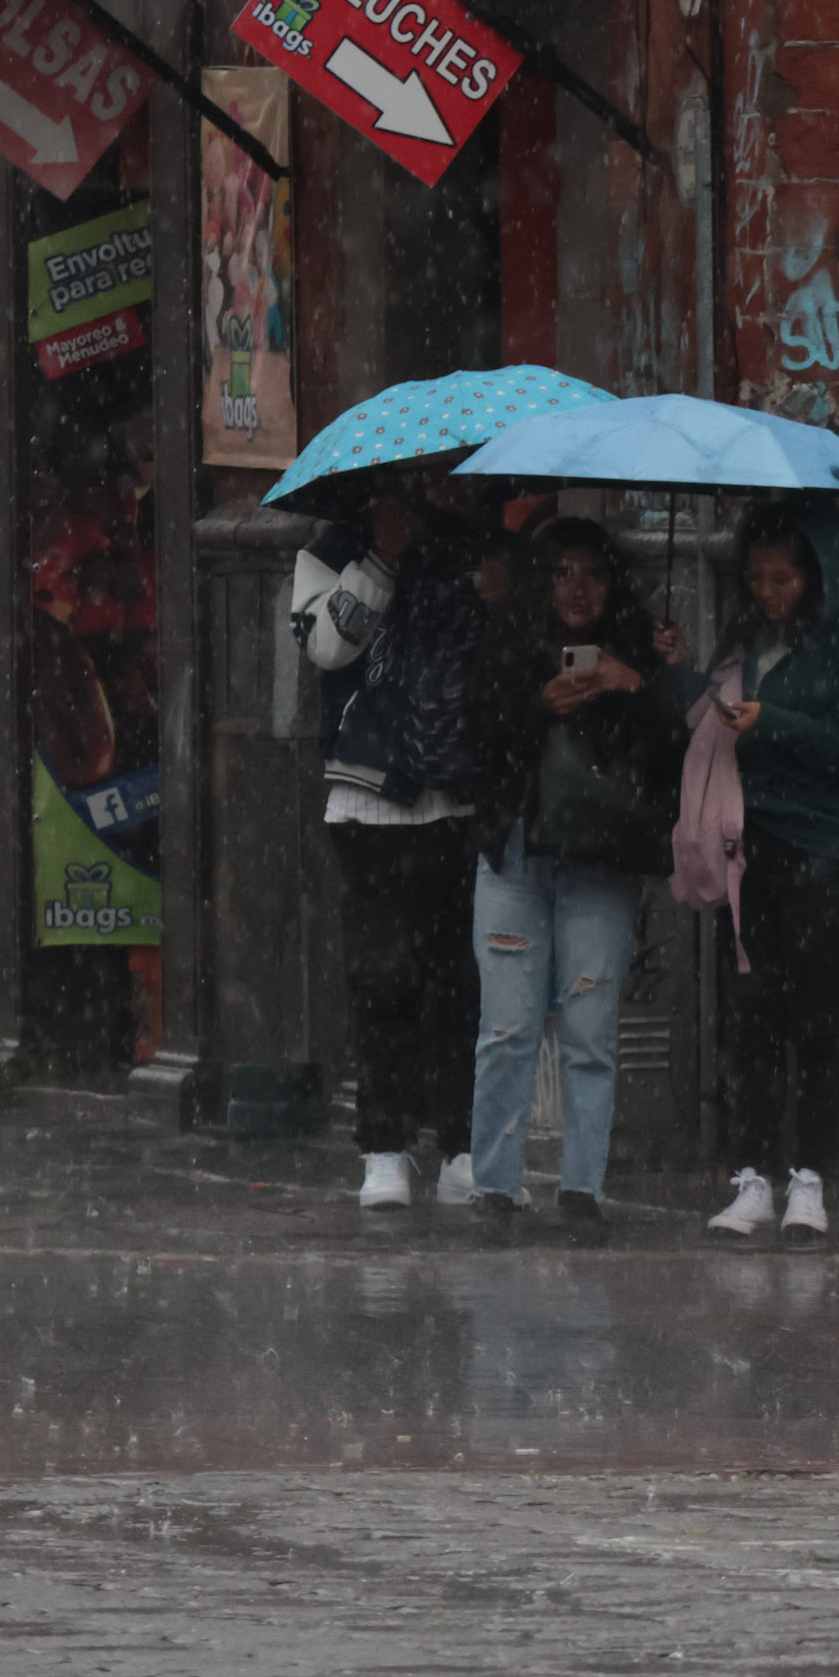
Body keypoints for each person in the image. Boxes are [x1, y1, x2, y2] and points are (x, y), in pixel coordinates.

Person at [288, 469, 513, 1211]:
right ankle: (383, 1144)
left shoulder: (463, 551)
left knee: (456, 980)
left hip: (450, 794)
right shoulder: (328, 553)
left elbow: (491, 648)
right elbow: (327, 645)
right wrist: (381, 557)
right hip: (365, 793)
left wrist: (484, 585)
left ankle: (460, 1141)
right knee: (380, 978)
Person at [465, 517, 690, 1247]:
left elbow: (679, 748)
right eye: (561, 572)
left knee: (591, 1029)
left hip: (601, 862)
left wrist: (639, 684)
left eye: (591, 572)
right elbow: (469, 745)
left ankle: (581, 1187)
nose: (576, 588)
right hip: (516, 857)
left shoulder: (642, 648)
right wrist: (535, 707)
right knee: (507, 1027)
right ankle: (495, 1187)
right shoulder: (505, 645)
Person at [691, 496, 839, 1248]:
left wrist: (772, 723)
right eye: (757, 579)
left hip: (830, 855)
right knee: (754, 1016)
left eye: (783, 578)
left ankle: (809, 1176)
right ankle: (752, 1174)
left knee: (816, 1022)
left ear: (815, 573)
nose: (769, 593)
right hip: (755, 850)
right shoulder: (745, 638)